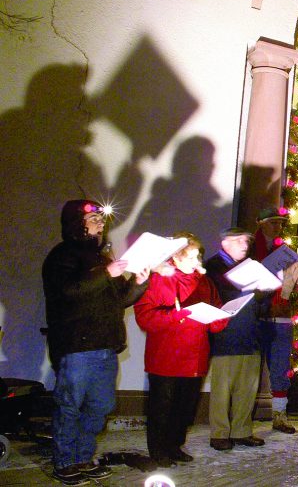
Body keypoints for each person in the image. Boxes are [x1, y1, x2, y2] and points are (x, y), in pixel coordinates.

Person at [43, 200, 149, 485]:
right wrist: (106, 274)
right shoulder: (61, 256)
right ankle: (65, 461)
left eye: (102, 220)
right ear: (77, 223)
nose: (101, 224)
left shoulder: (103, 260)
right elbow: (67, 292)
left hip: (105, 346)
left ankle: (83, 457)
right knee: (70, 405)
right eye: (94, 219)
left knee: (100, 406)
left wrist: (139, 283)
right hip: (76, 347)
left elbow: (121, 299)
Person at [134, 232, 229, 467]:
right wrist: (175, 316)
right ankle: (158, 450)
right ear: (174, 257)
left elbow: (215, 317)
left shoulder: (205, 282)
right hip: (165, 357)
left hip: (195, 358)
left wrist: (221, 318)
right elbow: (145, 318)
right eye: (190, 255)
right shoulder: (158, 280)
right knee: (162, 408)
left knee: (185, 408)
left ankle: (174, 446)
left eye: (197, 255)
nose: (196, 260)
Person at [205, 227, 268, 451]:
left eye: (247, 240)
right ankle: (220, 433)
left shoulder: (249, 265)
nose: (245, 244)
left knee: (247, 388)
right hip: (226, 335)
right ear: (225, 242)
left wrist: (264, 292)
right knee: (223, 389)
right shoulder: (213, 266)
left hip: (250, 334)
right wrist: (252, 289)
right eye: (239, 240)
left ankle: (241, 430)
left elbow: (260, 303)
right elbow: (223, 295)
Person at [250, 207, 298, 434]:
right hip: (256, 315)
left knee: (280, 367)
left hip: (281, 315)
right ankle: (242, 417)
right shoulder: (250, 248)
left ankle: (279, 415)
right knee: (250, 367)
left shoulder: (284, 251)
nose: (278, 227)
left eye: (280, 223)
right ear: (261, 223)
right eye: (273, 222)